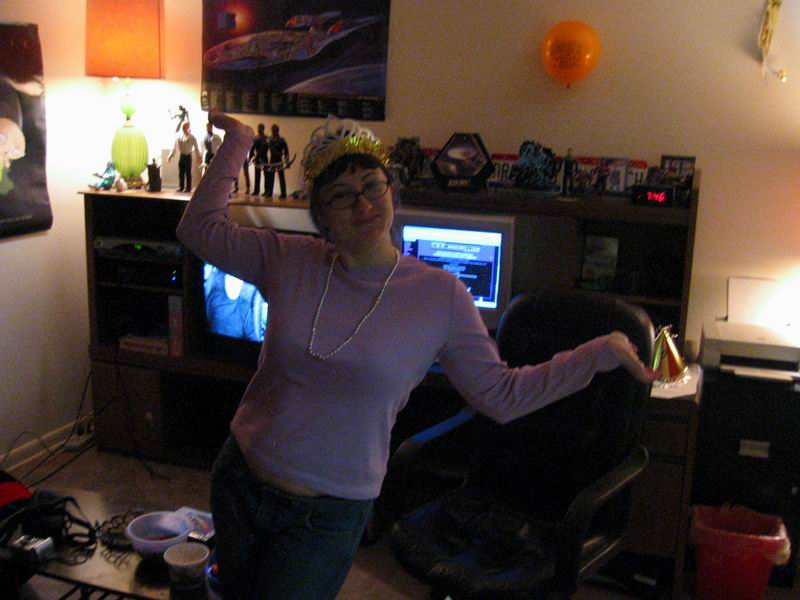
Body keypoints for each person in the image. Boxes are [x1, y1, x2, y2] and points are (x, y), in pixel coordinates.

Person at [176, 109, 657, 600]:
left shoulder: (441, 296)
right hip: (240, 479)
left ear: (392, 192)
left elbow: (501, 395)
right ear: (321, 216)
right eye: (342, 194)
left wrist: (596, 354)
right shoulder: (288, 258)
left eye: (373, 185)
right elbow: (198, 228)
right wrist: (238, 142)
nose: (363, 202)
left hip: (325, 514)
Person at [168, 120, 201, 192]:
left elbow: (196, 148)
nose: (183, 128)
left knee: (188, 172)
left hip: (188, 156)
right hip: (182, 156)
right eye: (183, 127)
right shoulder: (179, 137)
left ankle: (188, 188)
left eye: (185, 127)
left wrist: (198, 157)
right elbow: (174, 147)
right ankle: (181, 186)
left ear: (188, 127)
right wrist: (170, 156)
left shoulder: (192, 137)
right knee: (181, 172)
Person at [264, 123, 290, 198]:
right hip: (272, 159)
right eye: (273, 130)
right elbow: (264, 150)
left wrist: (287, 162)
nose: (274, 131)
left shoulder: (282, 140)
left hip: (279, 160)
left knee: (281, 176)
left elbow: (286, 151)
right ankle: (270, 192)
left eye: (275, 130)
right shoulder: (269, 140)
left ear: (278, 130)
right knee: (271, 176)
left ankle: (283, 193)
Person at [249, 123, 269, 196]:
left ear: (263, 129)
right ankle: (256, 190)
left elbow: (269, 147)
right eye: (258, 128)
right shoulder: (256, 138)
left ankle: (267, 191)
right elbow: (252, 149)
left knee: (266, 175)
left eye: (260, 128)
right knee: (257, 175)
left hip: (264, 157)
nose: (259, 129)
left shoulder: (267, 138)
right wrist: (251, 157)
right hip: (257, 158)